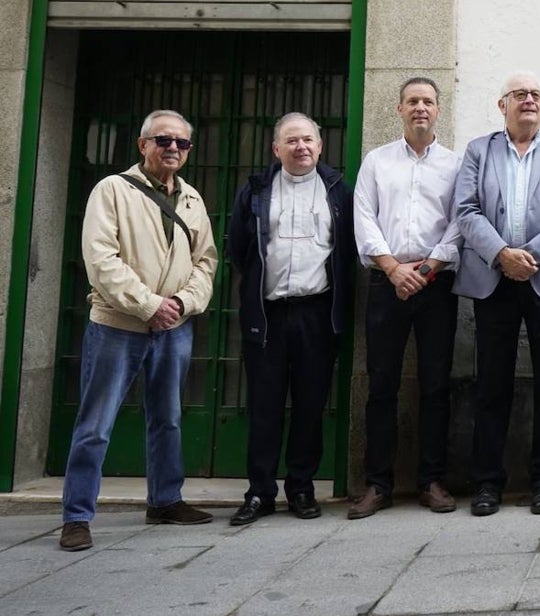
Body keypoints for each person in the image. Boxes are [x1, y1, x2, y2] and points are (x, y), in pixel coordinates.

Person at [59, 110, 218, 552]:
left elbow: (206, 261)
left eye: (182, 143)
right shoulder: (111, 190)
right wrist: (149, 305)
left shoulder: (192, 200)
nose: (173, 148)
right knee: (96, 423)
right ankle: (76, 516)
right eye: (163, 140)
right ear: (142, 144)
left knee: (166, 417)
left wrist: (182, 304)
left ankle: (165, 499)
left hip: (175, 327)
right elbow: (101, 259)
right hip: (118, 326)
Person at [454, 71, 540, 516]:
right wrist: (501, 254)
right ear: (502, 104)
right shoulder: (479, 150)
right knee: (492, 382)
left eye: (535, 94)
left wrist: (528, 255)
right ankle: (487, 481)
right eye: (519, 94)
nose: (528, 100)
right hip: (493, 278)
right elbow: (466, 210)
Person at [226, 112, 355, 525]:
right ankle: (260, 492)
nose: (301, 148)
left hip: (317, 313)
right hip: (267, 314)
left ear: (320, 146)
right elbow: (238, 249)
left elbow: (348, 250)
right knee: (264, 406)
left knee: (310, 405)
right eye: (292, 141)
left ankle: (301, 488)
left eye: (308, 140)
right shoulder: (256, 190)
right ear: (276, 149)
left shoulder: (337, 191)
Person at [348, 77, 462, 518]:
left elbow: (459, 220)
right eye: (412, 101)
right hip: (386, 282)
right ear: (399, 109)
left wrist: (429, 267)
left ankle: (432, 481)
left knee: (436, 386)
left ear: (438, 111)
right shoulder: (377, 162)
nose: (420, 108)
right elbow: (364, 217)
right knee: (381, 386)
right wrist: (394, 268)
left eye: (428, 102)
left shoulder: (454, 165)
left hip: (437, 284)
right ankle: (378, 484)